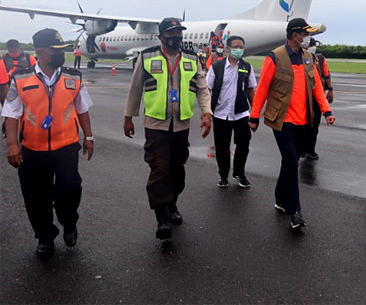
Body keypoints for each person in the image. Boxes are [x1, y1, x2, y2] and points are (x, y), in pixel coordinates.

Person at [2, 28, 94, 258]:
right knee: (35, 196)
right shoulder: (21, 78)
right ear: (41, 52)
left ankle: (69, 222)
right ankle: (45, 236)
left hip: (67, 146)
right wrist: (12, 145)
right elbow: (11, 113)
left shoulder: (74, 76)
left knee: (70, 188)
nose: (61, 54)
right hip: (33, 149)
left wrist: (89, 137)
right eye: (56, 50)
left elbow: (82, 109)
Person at [123, 17, 212, 241]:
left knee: (177, 169)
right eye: (171, 33)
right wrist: (128, 117)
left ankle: (172, 203)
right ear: (161, 36)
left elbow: (202, 88)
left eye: (179, 33)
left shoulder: (192, 58)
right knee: (159, 169)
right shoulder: (147, 56)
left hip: (181, 124)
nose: (176, 37)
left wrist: (206, 112)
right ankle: (162, 216)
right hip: (156, 124)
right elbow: (135, 90)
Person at [249, 18, 335, 230]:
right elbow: (262, 89)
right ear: (295, 35)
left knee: (290, 162)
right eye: (306, 34)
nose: (308, 39)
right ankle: (295, 211)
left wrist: (327, 111)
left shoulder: (308, 58)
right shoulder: (275, 57)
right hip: (282, 121)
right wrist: (254, 116)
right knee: (291, 162)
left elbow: (316, 88)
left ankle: (280, 197)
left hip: (303, 121)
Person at [206, 35, 257, 188]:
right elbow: (207, 89)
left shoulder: (246, 67)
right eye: (235, 47)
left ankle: (239, 173)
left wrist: (254, 112)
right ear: (227, 48)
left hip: (241, 113)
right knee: (222, 147)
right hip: (221, 114)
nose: (238, 50)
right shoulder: (217, 67)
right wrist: (207, 111)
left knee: (243, 144)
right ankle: (223, 175)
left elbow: (250, 89)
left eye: (241, 47)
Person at [300, 37, 333, 160]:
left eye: (313, 44)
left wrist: (330, 89)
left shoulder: (319, 58)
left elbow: (326, 74)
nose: (312, 46)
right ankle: (301, 149)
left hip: (316, 96)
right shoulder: (299, 57)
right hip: (303, 96)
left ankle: (310, 149)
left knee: (314, 125)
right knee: (303, 123)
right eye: (310, 44)